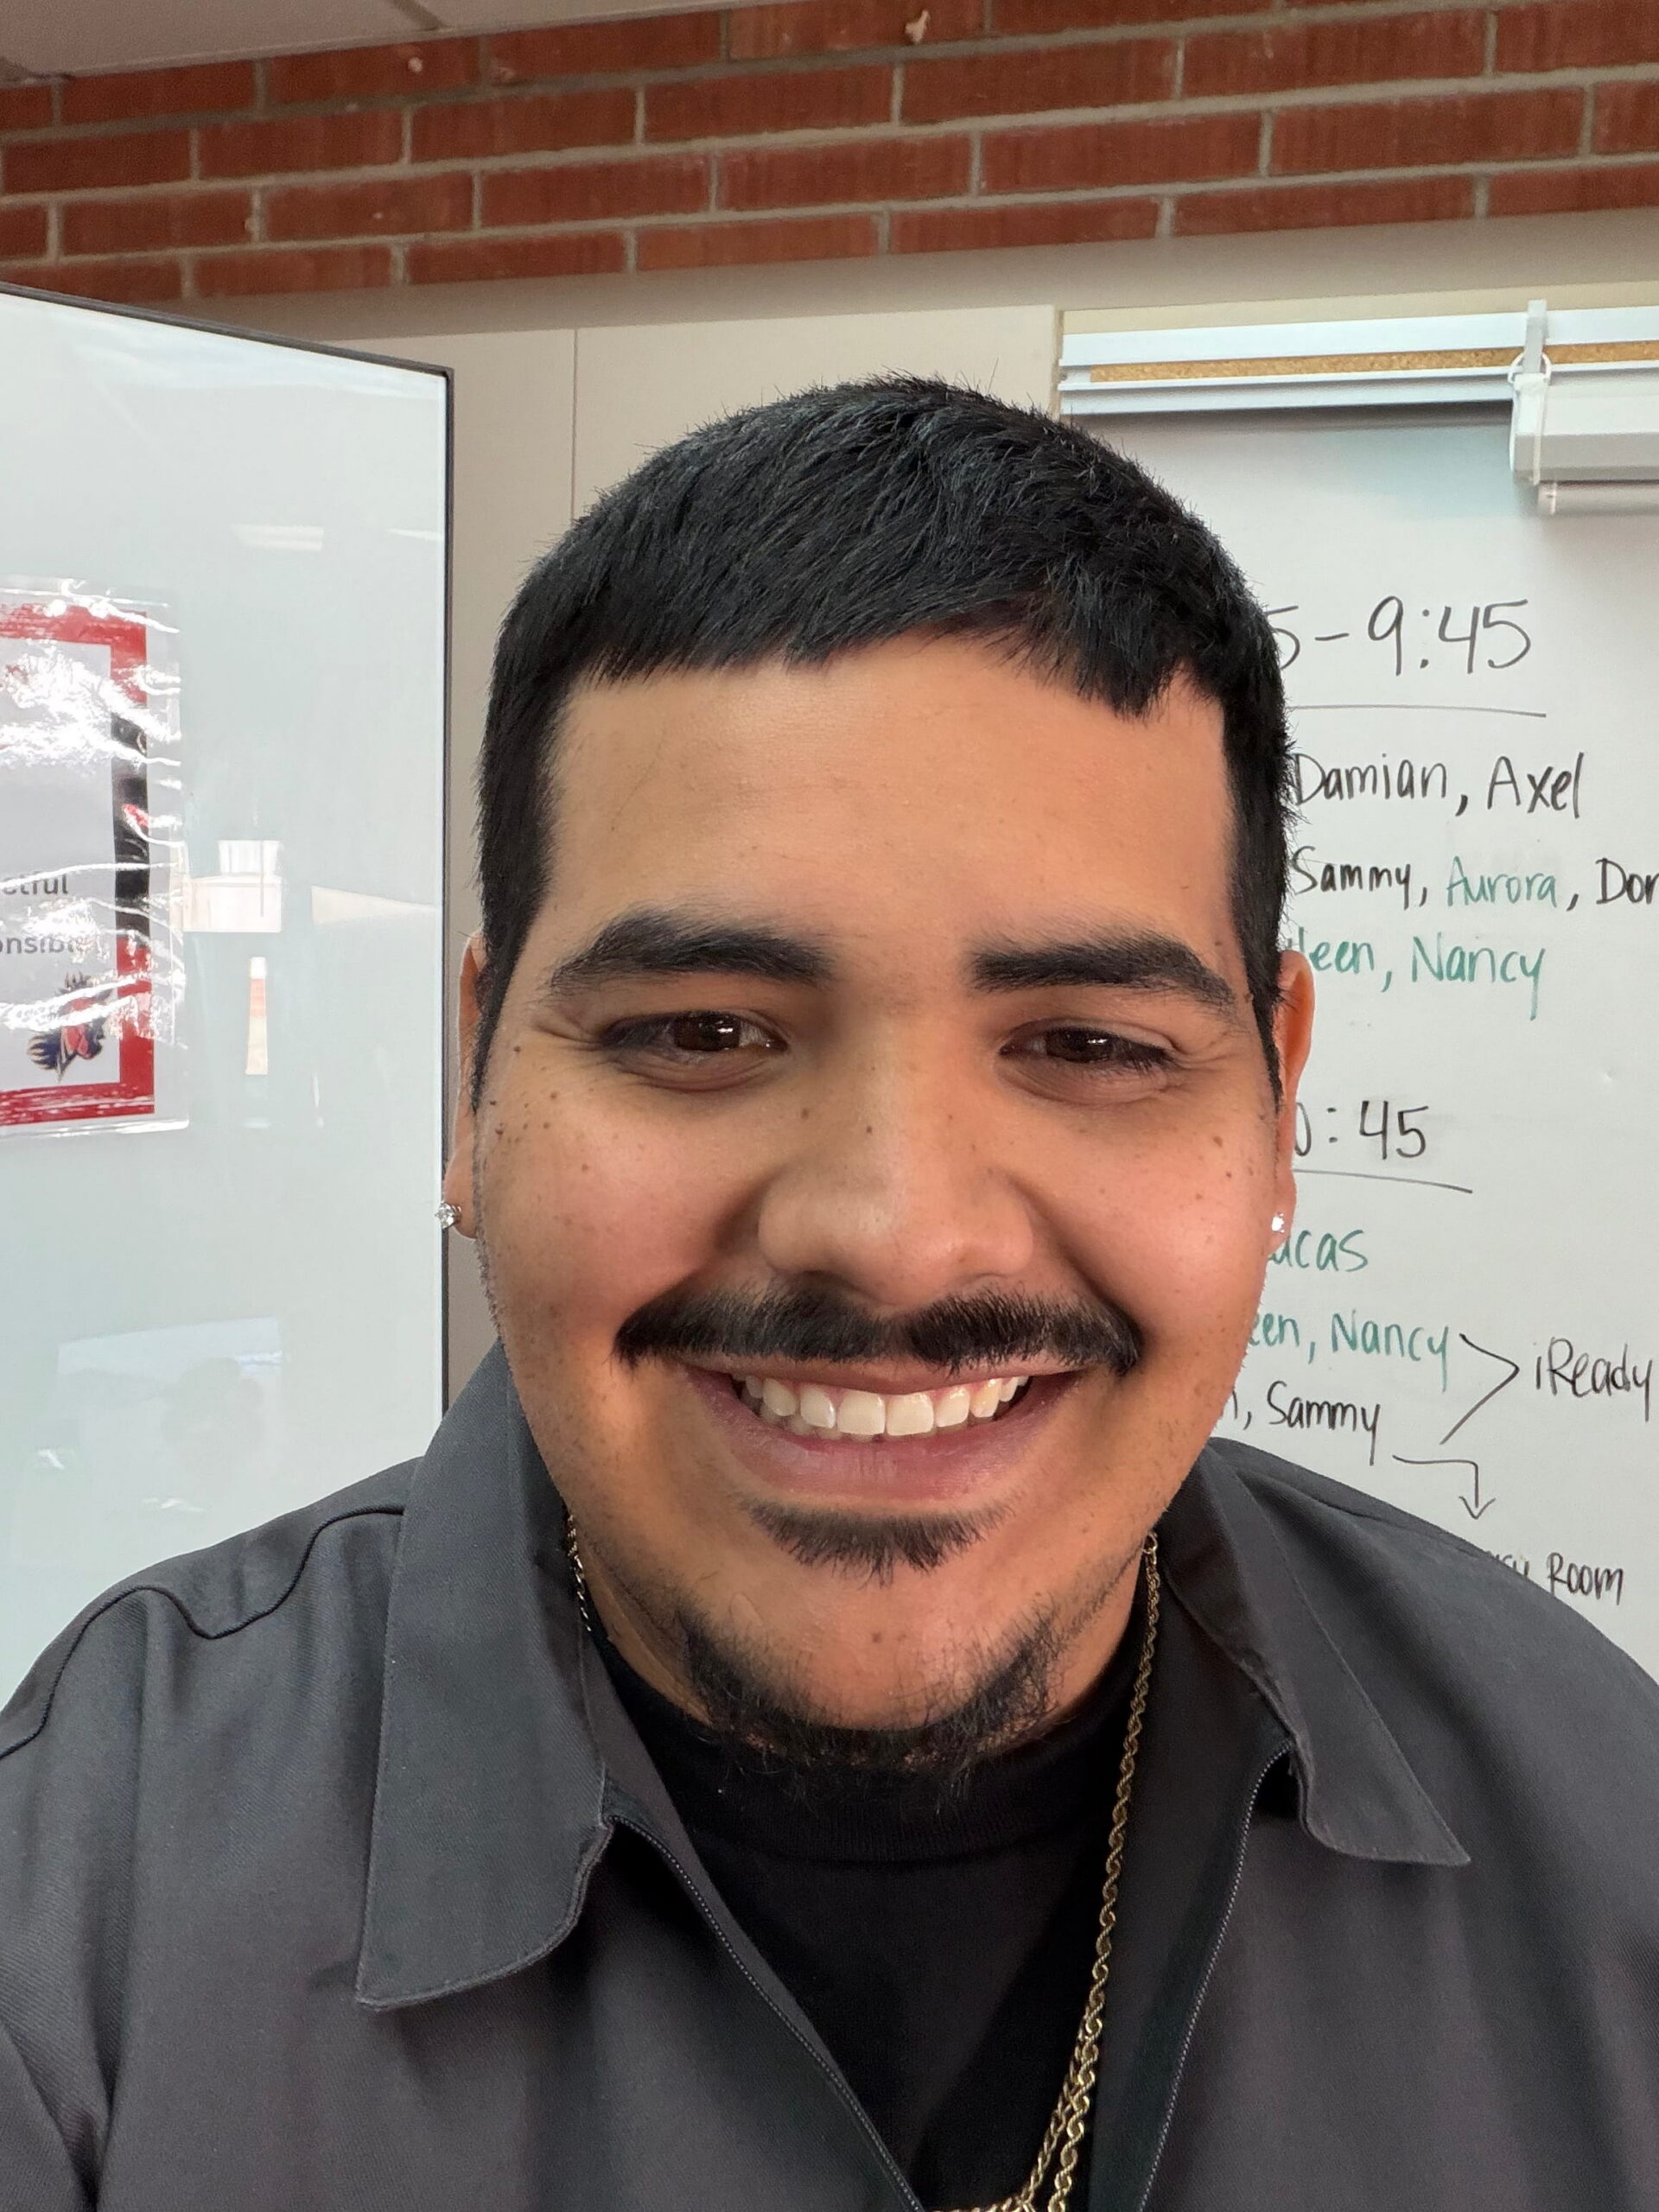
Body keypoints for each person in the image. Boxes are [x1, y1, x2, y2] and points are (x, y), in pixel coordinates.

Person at [2, 379, 1656, 2212]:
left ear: (1279, 1100)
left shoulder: (1606, 1839)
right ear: (474, 1082)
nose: (895, 1236)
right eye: (704, 1032)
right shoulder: (80, 1917)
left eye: (1089, 1044)